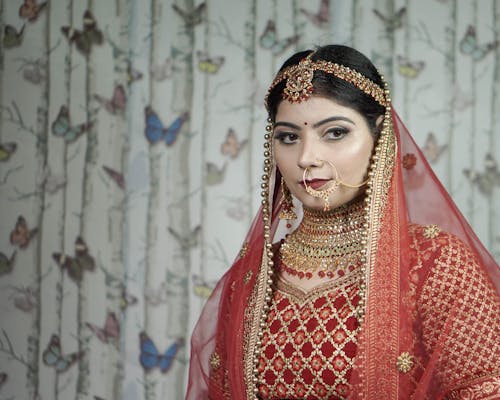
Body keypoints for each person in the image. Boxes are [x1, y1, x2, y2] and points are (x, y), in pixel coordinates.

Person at [186, 45, 500, 399]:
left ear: (380, 138)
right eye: (288, 137)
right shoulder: (254, 277)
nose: (306, 158)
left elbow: (485, 389)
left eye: (334, 133)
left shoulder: (435, 264)